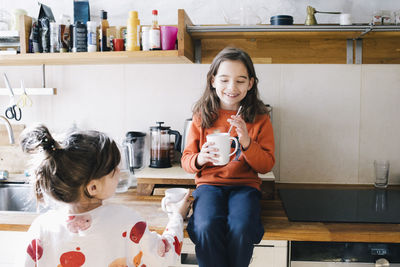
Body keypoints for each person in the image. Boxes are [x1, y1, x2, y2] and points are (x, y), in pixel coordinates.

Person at [19, 124, 191, 267]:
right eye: (113, 170)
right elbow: (163, 255)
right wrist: (176, 216)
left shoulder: (41, 227)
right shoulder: (126, 221)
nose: (119, 172)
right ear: (93, 187)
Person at [181, 47, 275, 267]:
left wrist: (246, 142)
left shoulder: (260, 118)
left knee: (241, 227)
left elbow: (267, 165)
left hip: (245, 186)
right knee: (205, 226)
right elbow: (187, 160)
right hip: (209, 186)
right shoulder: (201, 116)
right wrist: (201, 159)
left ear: (250, 83)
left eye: (240, 81)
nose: (232, 88)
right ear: (213, 81)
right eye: (224, 80)